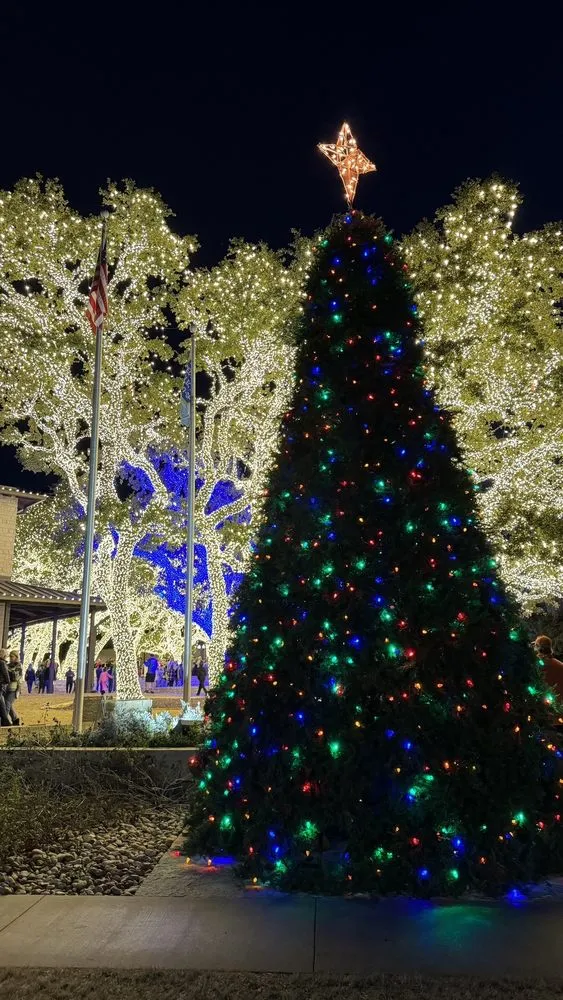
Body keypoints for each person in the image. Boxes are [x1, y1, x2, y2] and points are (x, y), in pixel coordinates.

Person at [534, 635, 563, 702]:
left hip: (551, 702)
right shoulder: (559, 664)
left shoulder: (540, 665)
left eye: (535, 645)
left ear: (539, 648)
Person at [6, 651, 22, 725]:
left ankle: (5, 722)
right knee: (7, 705)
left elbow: (16, 678)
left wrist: (7, 672)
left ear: (16, 657)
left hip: (13, 688)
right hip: (6, 688)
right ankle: (15, 719)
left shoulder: (19, 666)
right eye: (10, 656)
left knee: (7, 705)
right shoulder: (7, 665)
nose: (10, 658)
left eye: (12, 657)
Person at [0, 649, 12, 726]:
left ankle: (5, 721)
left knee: (2, 703)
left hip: (1, 685)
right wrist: (7, 682)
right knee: (2, 704)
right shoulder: (2, 663)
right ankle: (5, 721)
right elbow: (6, 676)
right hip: (1, 685)